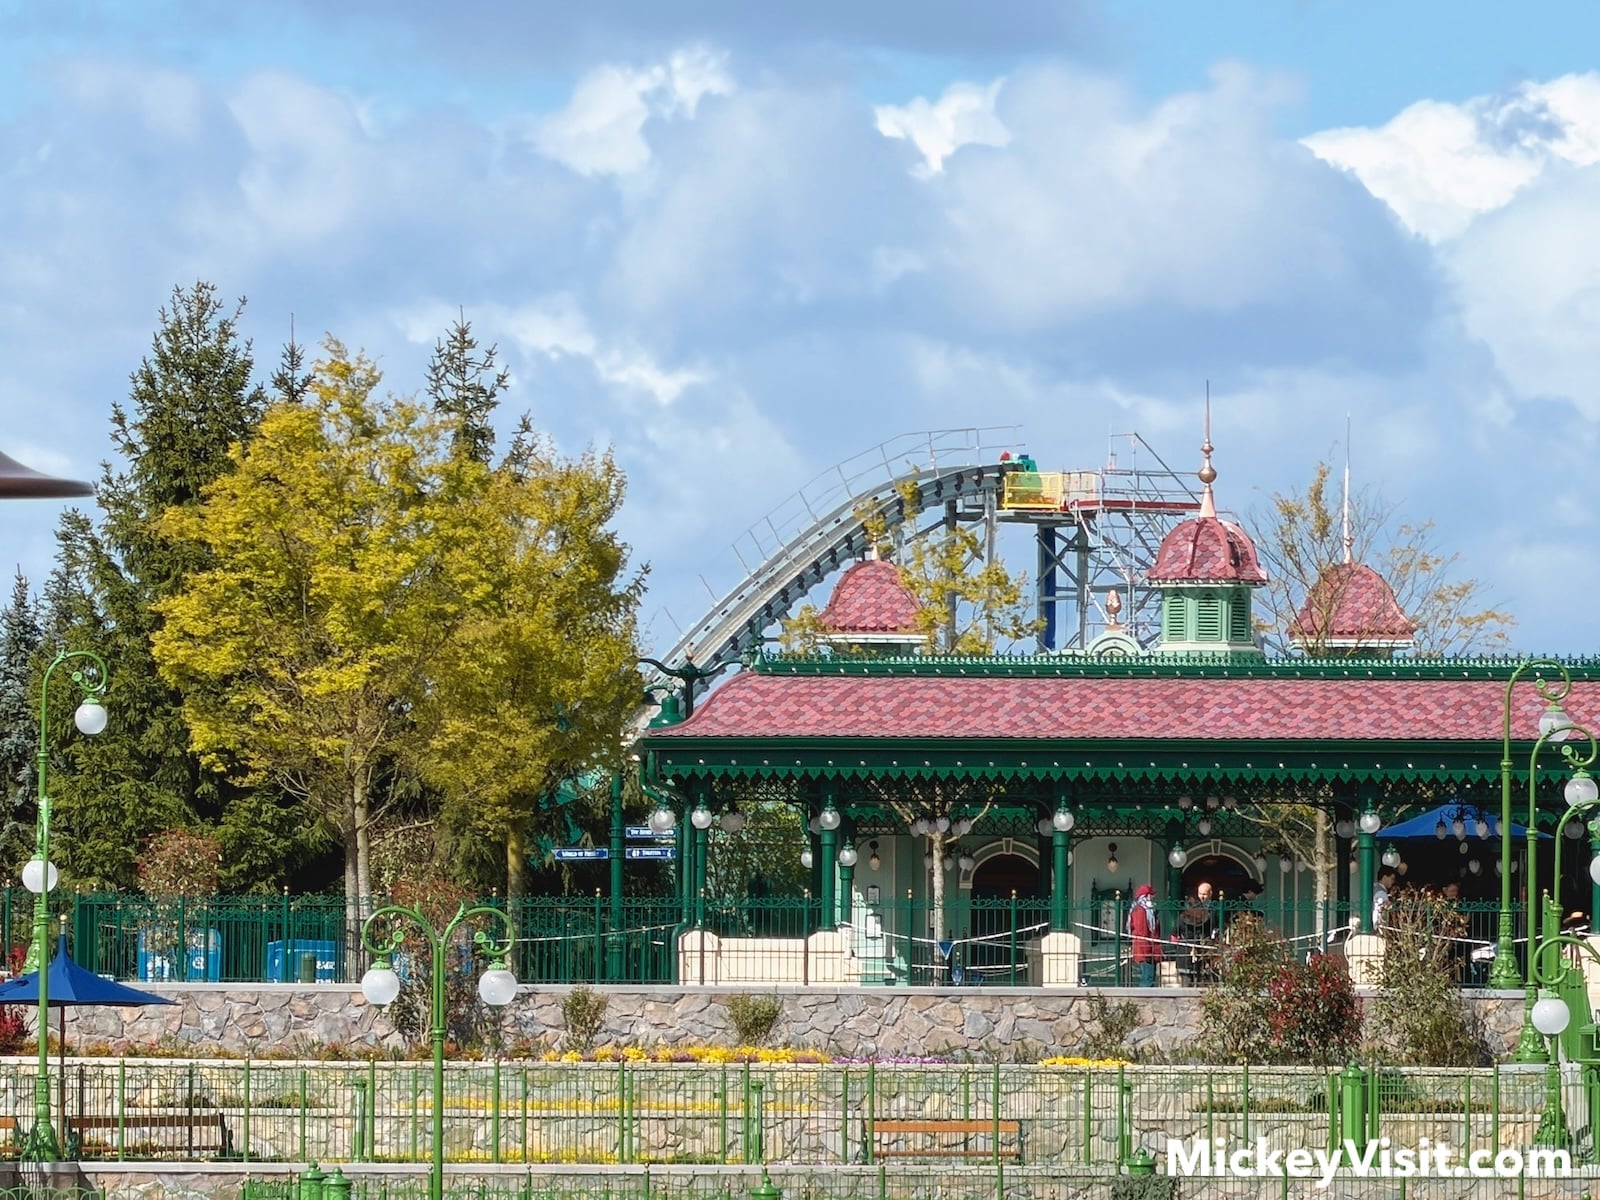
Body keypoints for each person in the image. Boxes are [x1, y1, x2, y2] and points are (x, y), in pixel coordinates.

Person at [1129, 884, 1162, 986]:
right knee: (1147, 978)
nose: (1153, 897)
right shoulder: (1140, 910)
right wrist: (1147, 951)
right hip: (1146, 950)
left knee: (1150, 977)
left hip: (1151, 949)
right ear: (1146, 896)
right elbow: (1141, 931)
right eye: (1151, 895)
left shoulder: (1150, 911)